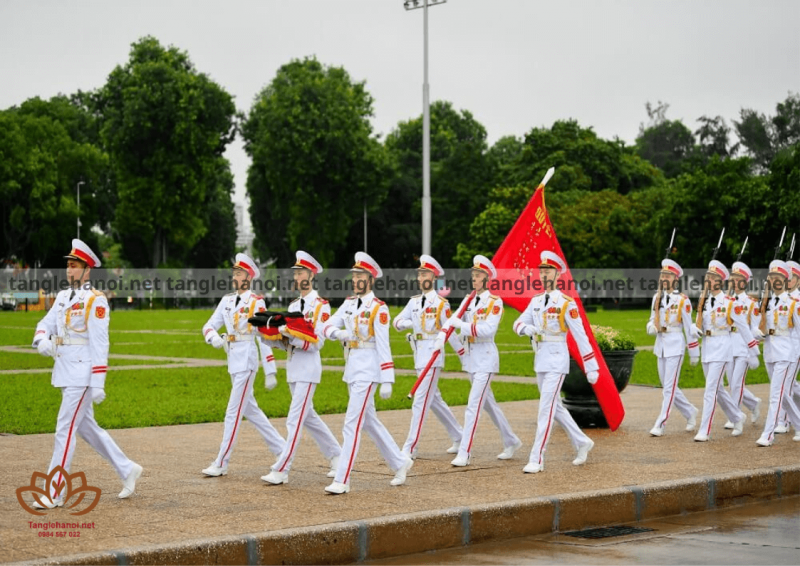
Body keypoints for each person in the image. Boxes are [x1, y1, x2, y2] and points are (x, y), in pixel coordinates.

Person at [31, 239, 142, 508]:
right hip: (64, 370)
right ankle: (127, 469)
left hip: (82, 373)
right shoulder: (61, 297)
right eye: (68, 265)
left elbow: (100, 343)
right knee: (87, 430)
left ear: (87, 269)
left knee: (64, 429)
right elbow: (43, 324)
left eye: (74, 266)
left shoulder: (95, 300)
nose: (69, 271)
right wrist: (42, 340)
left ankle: (54, 492)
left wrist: (98, 383)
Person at [321, 252, 413, 494]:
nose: (355, 280)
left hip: (369, 371)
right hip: (352, 369)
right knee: (369, 421)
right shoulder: (349, 304)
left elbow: (384, 345)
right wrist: (337, 334)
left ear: (370, 279)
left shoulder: (378, 309)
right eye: (353, 275)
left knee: (351, 423)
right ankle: (400, 461)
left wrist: (387, 378)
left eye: (360, 276)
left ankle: (342, 479)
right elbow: (327, 325)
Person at [260, 251, 342, 485]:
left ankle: (282, 469)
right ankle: (337, 455)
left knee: (294, 420)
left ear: (311, 275)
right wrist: (268, 336)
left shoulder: (321, 306)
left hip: (308, 370)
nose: (297, 277)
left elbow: (319, 342)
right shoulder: (294, 304)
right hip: (294, 367)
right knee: (309, 417)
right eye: (295, 273)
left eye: (300, 272)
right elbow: (288, 340)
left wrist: (290, 336)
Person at [200, 253, 285, 476]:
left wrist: (270, 369)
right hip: (232, 358)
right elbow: (208, 325)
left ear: (248, 277)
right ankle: (282, 448)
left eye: (238, 273)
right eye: (234, 272)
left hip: (247, 359)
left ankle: (221, 461)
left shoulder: (256, 301)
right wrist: (214, 338)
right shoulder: (227, 300)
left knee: (233, 411)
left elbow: (263, 334)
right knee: (250, 410)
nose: (234, 276)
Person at [512, 251, 597, 473]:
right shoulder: (536, 301)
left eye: (548, 270)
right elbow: (517, 323)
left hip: (558, 359)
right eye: (541, 270)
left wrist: (591, 365)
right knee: (555, 407)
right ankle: (582, 441)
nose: (543, 274)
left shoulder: (566, 303)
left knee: (545, 409)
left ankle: (537, 457)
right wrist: (525, 328)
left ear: (557, 274)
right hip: (541, 359)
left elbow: (581, 335)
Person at [444, 255, 521, 467]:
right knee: (489, 405)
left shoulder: (494, 302)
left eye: (478, 275)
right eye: (473, 275)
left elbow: (488, 330)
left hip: (486, 358)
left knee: (473, 405)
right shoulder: (469, 300)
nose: (474, 278)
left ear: (487, 279)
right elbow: (454, 324)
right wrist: (449, 333)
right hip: (471, 358)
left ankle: (465, 452)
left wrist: (461, 325)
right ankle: (511, 440)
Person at [393, 254, 464, 459]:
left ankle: (410, 447)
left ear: (433, 277)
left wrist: (461, 354)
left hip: (433, 356)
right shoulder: (413, 302)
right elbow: (396, 322)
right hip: (418, 354)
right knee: (434, 400)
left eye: (424, 273)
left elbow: (449, 329)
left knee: (420, 400)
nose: (420, 277)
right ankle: (459, 435)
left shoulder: (441, 303)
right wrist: (406, 324)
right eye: (419, 273)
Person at [693, 260, 759, 442]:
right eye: (707, 276)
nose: (708, 280)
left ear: (720, 281)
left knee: (710, 390)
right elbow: (701, 323)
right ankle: (737, 417)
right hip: (707, 348)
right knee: (718, 390)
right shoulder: (704, 301)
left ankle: (704, 430)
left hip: (722, 348)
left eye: (712, 277)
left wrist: (753, 351)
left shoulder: (729, 303)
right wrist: (694, 328)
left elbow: (743, 327)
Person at [645, 258, 700, 437]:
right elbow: (651, 320)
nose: (664, 278)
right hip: (660, 345)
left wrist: (694, 352)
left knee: (669, 388)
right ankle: (690, 411)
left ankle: (661, 423)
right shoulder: (657, 297)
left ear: (675, 279)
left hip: (676, 345)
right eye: (662, 274)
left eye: (668, 275)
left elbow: (688, 326)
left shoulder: (682, 300)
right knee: (668, 386)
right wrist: (652, 328)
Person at [755, 260, 800, 446]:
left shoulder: (793, 304)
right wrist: (757, 332)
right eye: (771, 277)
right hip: (770, 352)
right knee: (783, 394)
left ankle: (768, 434)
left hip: (786, 353)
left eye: (778, 277)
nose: (774, 280)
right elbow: (759, 326)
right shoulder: (767, 302)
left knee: (775, 394)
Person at [721, 262, 762, 430]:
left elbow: (755, 329)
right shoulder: (724, 301)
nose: (734, 282)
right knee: (732, 383)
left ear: (744, 282)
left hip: (744, 346)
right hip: (728, 345)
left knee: (737, 383)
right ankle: (753, 403)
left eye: (738, 279)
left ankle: (735, 416)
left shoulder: (752, 303)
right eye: (732, 279)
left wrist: (753, 351)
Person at [774, 260, 800, 439]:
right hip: (779, 347)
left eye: (793, 278)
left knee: (786, 385)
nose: (789, 280)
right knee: (789, 385)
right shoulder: (779, 298)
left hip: (795, 347)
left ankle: (783, 421)